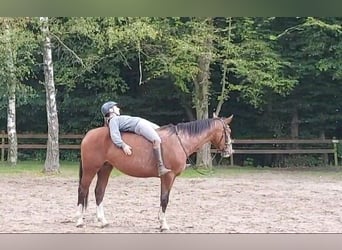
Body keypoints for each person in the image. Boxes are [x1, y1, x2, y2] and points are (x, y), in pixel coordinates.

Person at [100, 101, 171, 176]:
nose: (118, 108)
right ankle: (160, 167)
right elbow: (115, 135)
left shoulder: (115, 119)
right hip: (139, 125)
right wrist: (123, 145)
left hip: (142, 122)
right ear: (111, 110)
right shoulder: (113, 120)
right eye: (115, 107)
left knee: (163, 133)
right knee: (156, 140)